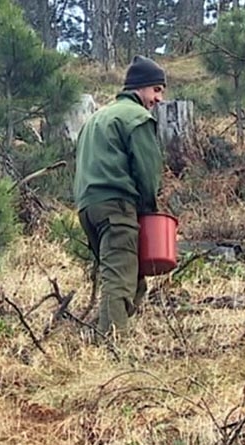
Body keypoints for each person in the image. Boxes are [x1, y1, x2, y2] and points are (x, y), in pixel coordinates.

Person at [73, 55, 167, 338]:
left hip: (88, 208)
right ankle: (111, 349)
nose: (159, 99)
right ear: (140, 88)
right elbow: (148, 172)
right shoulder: (137, 118)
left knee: (133, 279)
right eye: (157, 90)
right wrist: (150, 212)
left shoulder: (96, 119)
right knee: (119, 281)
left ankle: (104, 335)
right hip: (117, 208)